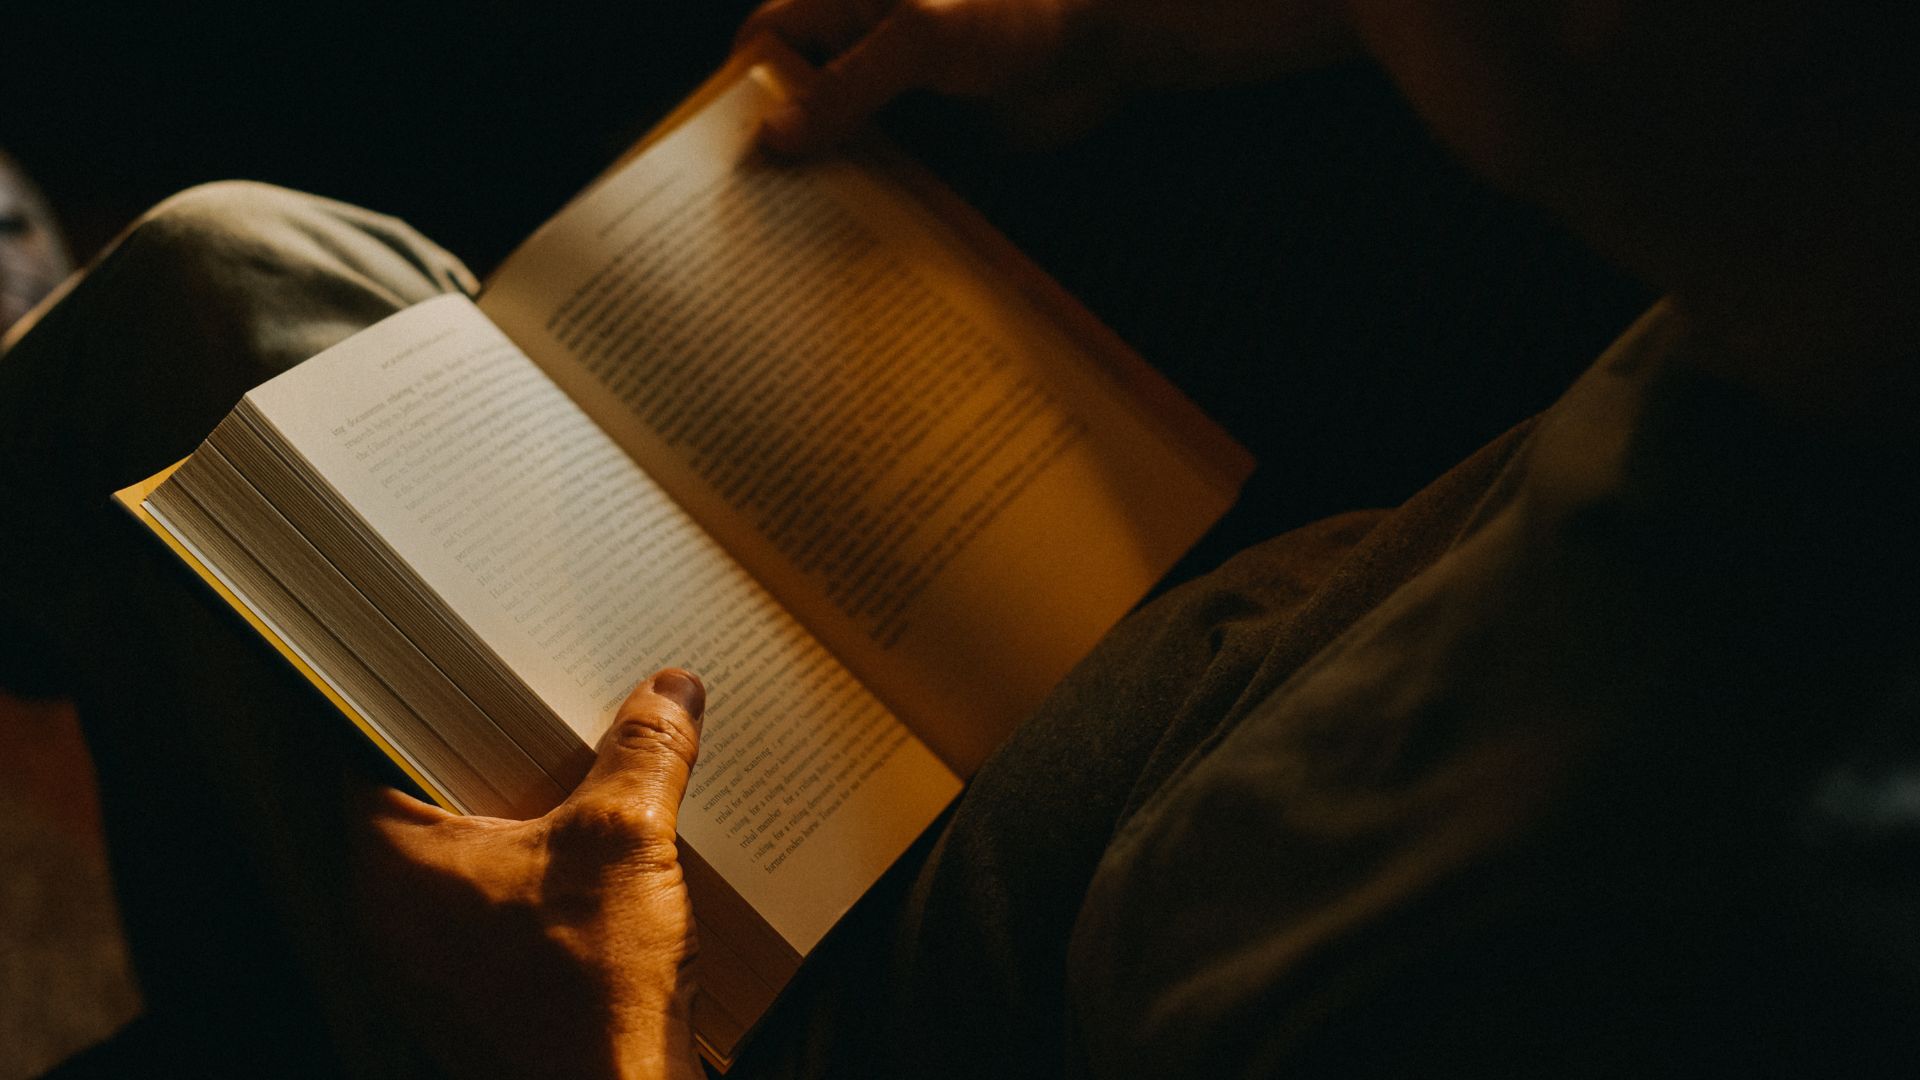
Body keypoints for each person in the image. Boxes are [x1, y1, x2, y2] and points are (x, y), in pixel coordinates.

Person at [3, 0, 1915, 1076]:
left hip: (770, 1019)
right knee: (240, 283)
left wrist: (589, 1055)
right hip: (1103, 750)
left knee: (199, 335)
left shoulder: (1627, 937)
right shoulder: (1837, 256)